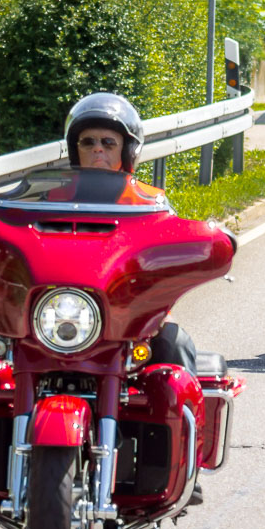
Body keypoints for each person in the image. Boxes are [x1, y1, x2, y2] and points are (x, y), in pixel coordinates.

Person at [60, 92, 200, 376]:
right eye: (88, 142)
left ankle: (185, 405)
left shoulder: (150, 202)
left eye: (108, 142)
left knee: (175, 343)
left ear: (127, 150)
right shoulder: (53, 199)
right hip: (63, 305)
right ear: (76, 149)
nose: (97, 149)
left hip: (135, 308)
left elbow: (173, 246)